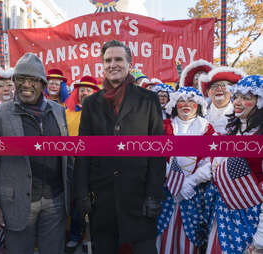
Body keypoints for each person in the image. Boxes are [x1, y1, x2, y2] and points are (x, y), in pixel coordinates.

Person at [74, 40, 165, 254]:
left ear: (129, 64)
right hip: (102, 201)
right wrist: (83, 194)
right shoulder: (90, 103)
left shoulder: (149, 100)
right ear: (102, 65)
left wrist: (153, 195)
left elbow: (158, 152)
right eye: (107, 60)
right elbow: (83, 152)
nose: (112, 64)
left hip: (139, 199)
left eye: (118, 59)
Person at [0, 53, 73, 254]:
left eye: (33, 80)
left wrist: (72, 194)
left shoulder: (58, 111)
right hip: (17, 203)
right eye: (21, 78)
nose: (26, 84)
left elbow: (66, 155)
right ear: (14, 81)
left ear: (43, 84)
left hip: (55, 201)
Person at [205, 75, 263, 254]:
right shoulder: (231, 132)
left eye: (246, 98)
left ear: (260, 102)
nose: (237, 101)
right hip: (223, 216)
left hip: (250, 222)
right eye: (237, 96)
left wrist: (260, 239)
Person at [156, 87, 215, 254]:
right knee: (163, 239)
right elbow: (156, 155)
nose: (186, 105)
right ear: (175, 104)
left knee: (188, 242)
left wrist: (191, 182)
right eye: (181, 101)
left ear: (198, 105)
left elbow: (210, 160)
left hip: (193, 193)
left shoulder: (207, 128)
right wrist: (173, 179)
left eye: (191, 101)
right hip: (166, 191)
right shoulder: (164, 126)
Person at [64, 75, 100, 253]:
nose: (85, 92)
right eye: (82, 90)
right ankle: (75, 235)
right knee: (76, 202)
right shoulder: (67, 112)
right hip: (73, 164)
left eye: (89, 89)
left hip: (96, 166)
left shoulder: (102, 112)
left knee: (94, 202)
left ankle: (92, 238)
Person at [199, 67, 245, 134]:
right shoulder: (199, 116)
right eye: (214, 86)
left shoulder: (243, 116)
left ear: (232, 91)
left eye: (224, 85)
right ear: (208, 93)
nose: (219, 88)